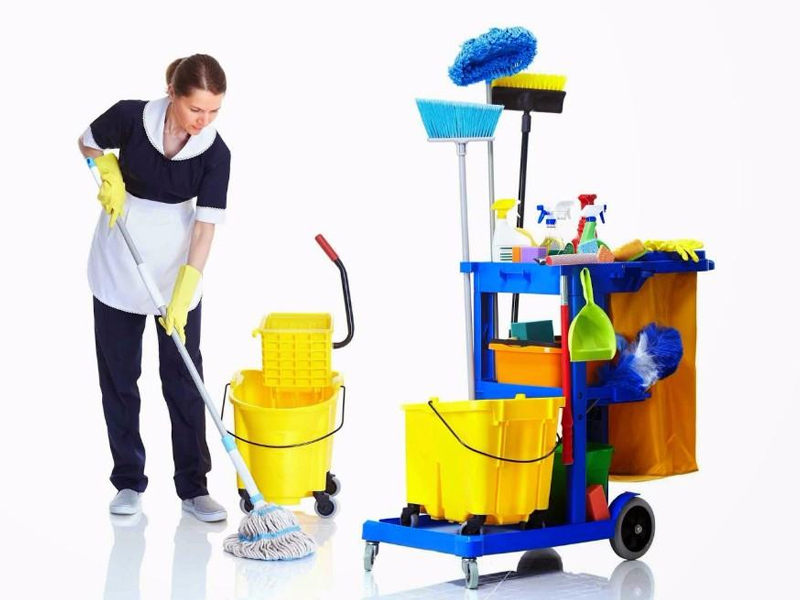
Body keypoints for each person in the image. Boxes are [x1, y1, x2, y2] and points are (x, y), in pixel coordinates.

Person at [78, 54, 231, 522]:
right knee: (120, 379)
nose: (203, 121)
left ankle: (194, 487)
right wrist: (109, 174)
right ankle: (128, 481)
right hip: (120, 258)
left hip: (175, 266)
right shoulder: (130, 117)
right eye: (195, 109)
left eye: (214, 111)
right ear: (172, 94)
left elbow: (204, 229)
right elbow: (87, 142)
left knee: (184, 381)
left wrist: (185, 291)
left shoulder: (216, 153)